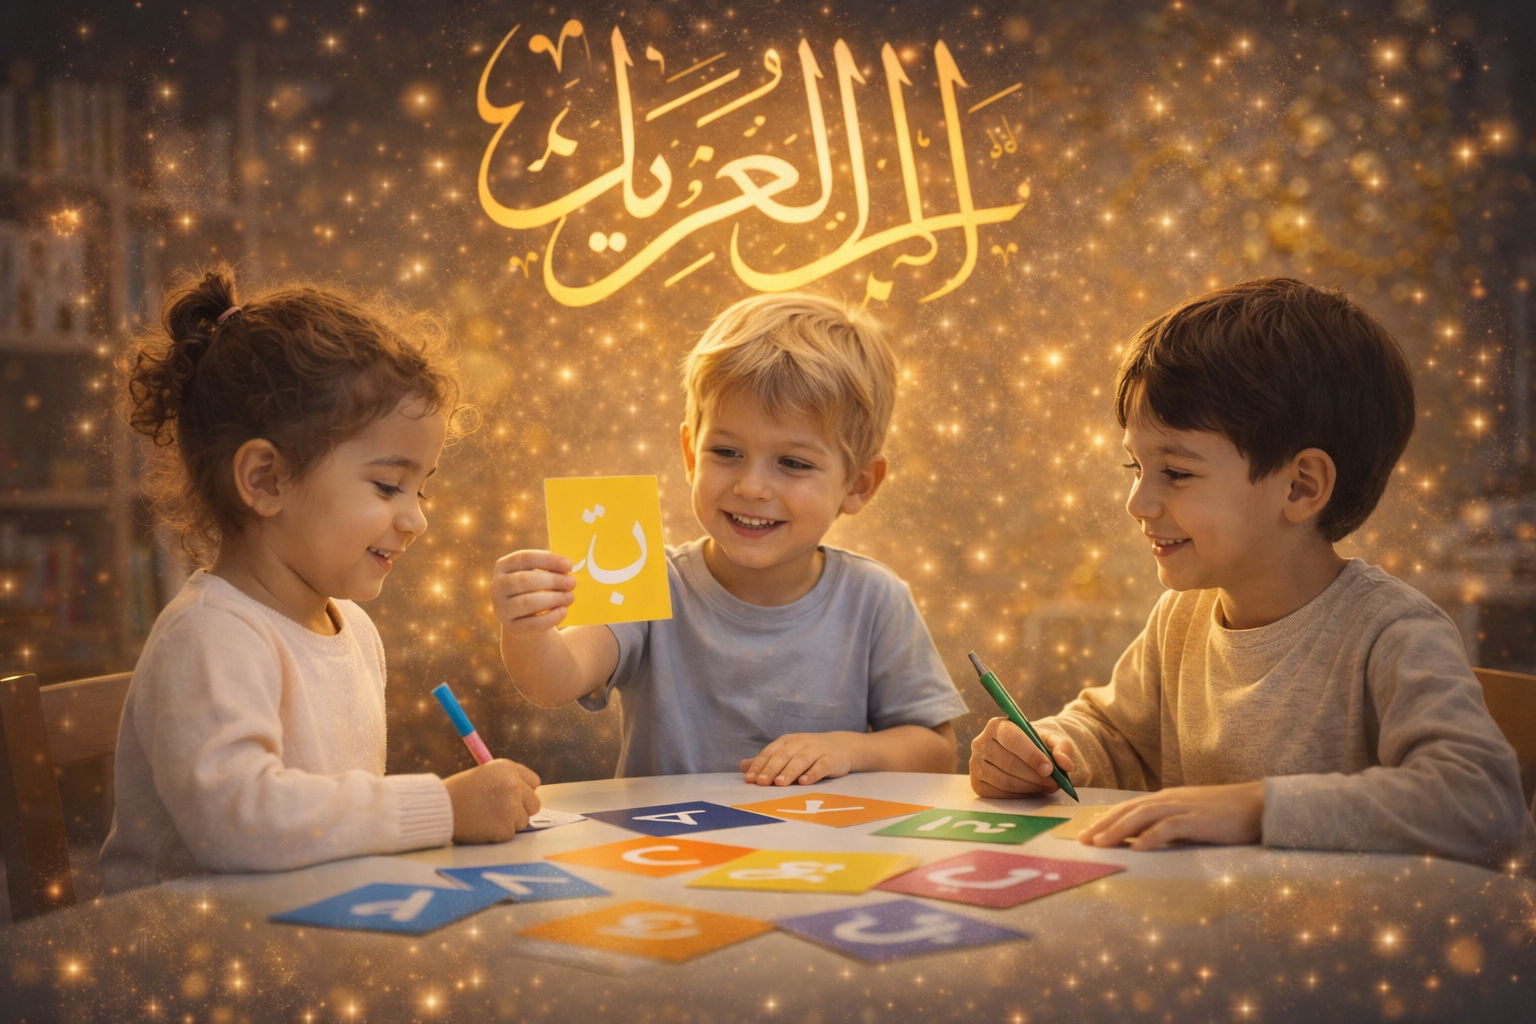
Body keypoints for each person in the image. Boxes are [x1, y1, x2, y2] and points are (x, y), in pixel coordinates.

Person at [969, 277, 1535, 869]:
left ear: (1300, 486)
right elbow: (1114, 737)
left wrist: (1256, 808)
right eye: (1134, 467)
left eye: (1177, 473)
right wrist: (1047, 751)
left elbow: (1484, 805)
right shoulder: (1181, 621)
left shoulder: (1392, 634)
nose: (1138, 503)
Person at [100, 267, 540, 893]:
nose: (417, 519)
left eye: (423, 487)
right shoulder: (209, 639)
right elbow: (241, 822)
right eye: (389, 485)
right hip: (184, 965)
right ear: (266, 480)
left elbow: (325, 827)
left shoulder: (354, 630)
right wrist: (441, 808)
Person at [494, 293, 966, 784]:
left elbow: (935, 751)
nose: (751, 487)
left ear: (859, 484)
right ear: (691, 455)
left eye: (793, 463)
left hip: (819, 856)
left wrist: (846, 750)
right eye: (725, 451)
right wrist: (527, 630)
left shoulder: (875, 599)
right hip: (666, 856)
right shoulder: (646, 579)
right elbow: (556, 679)